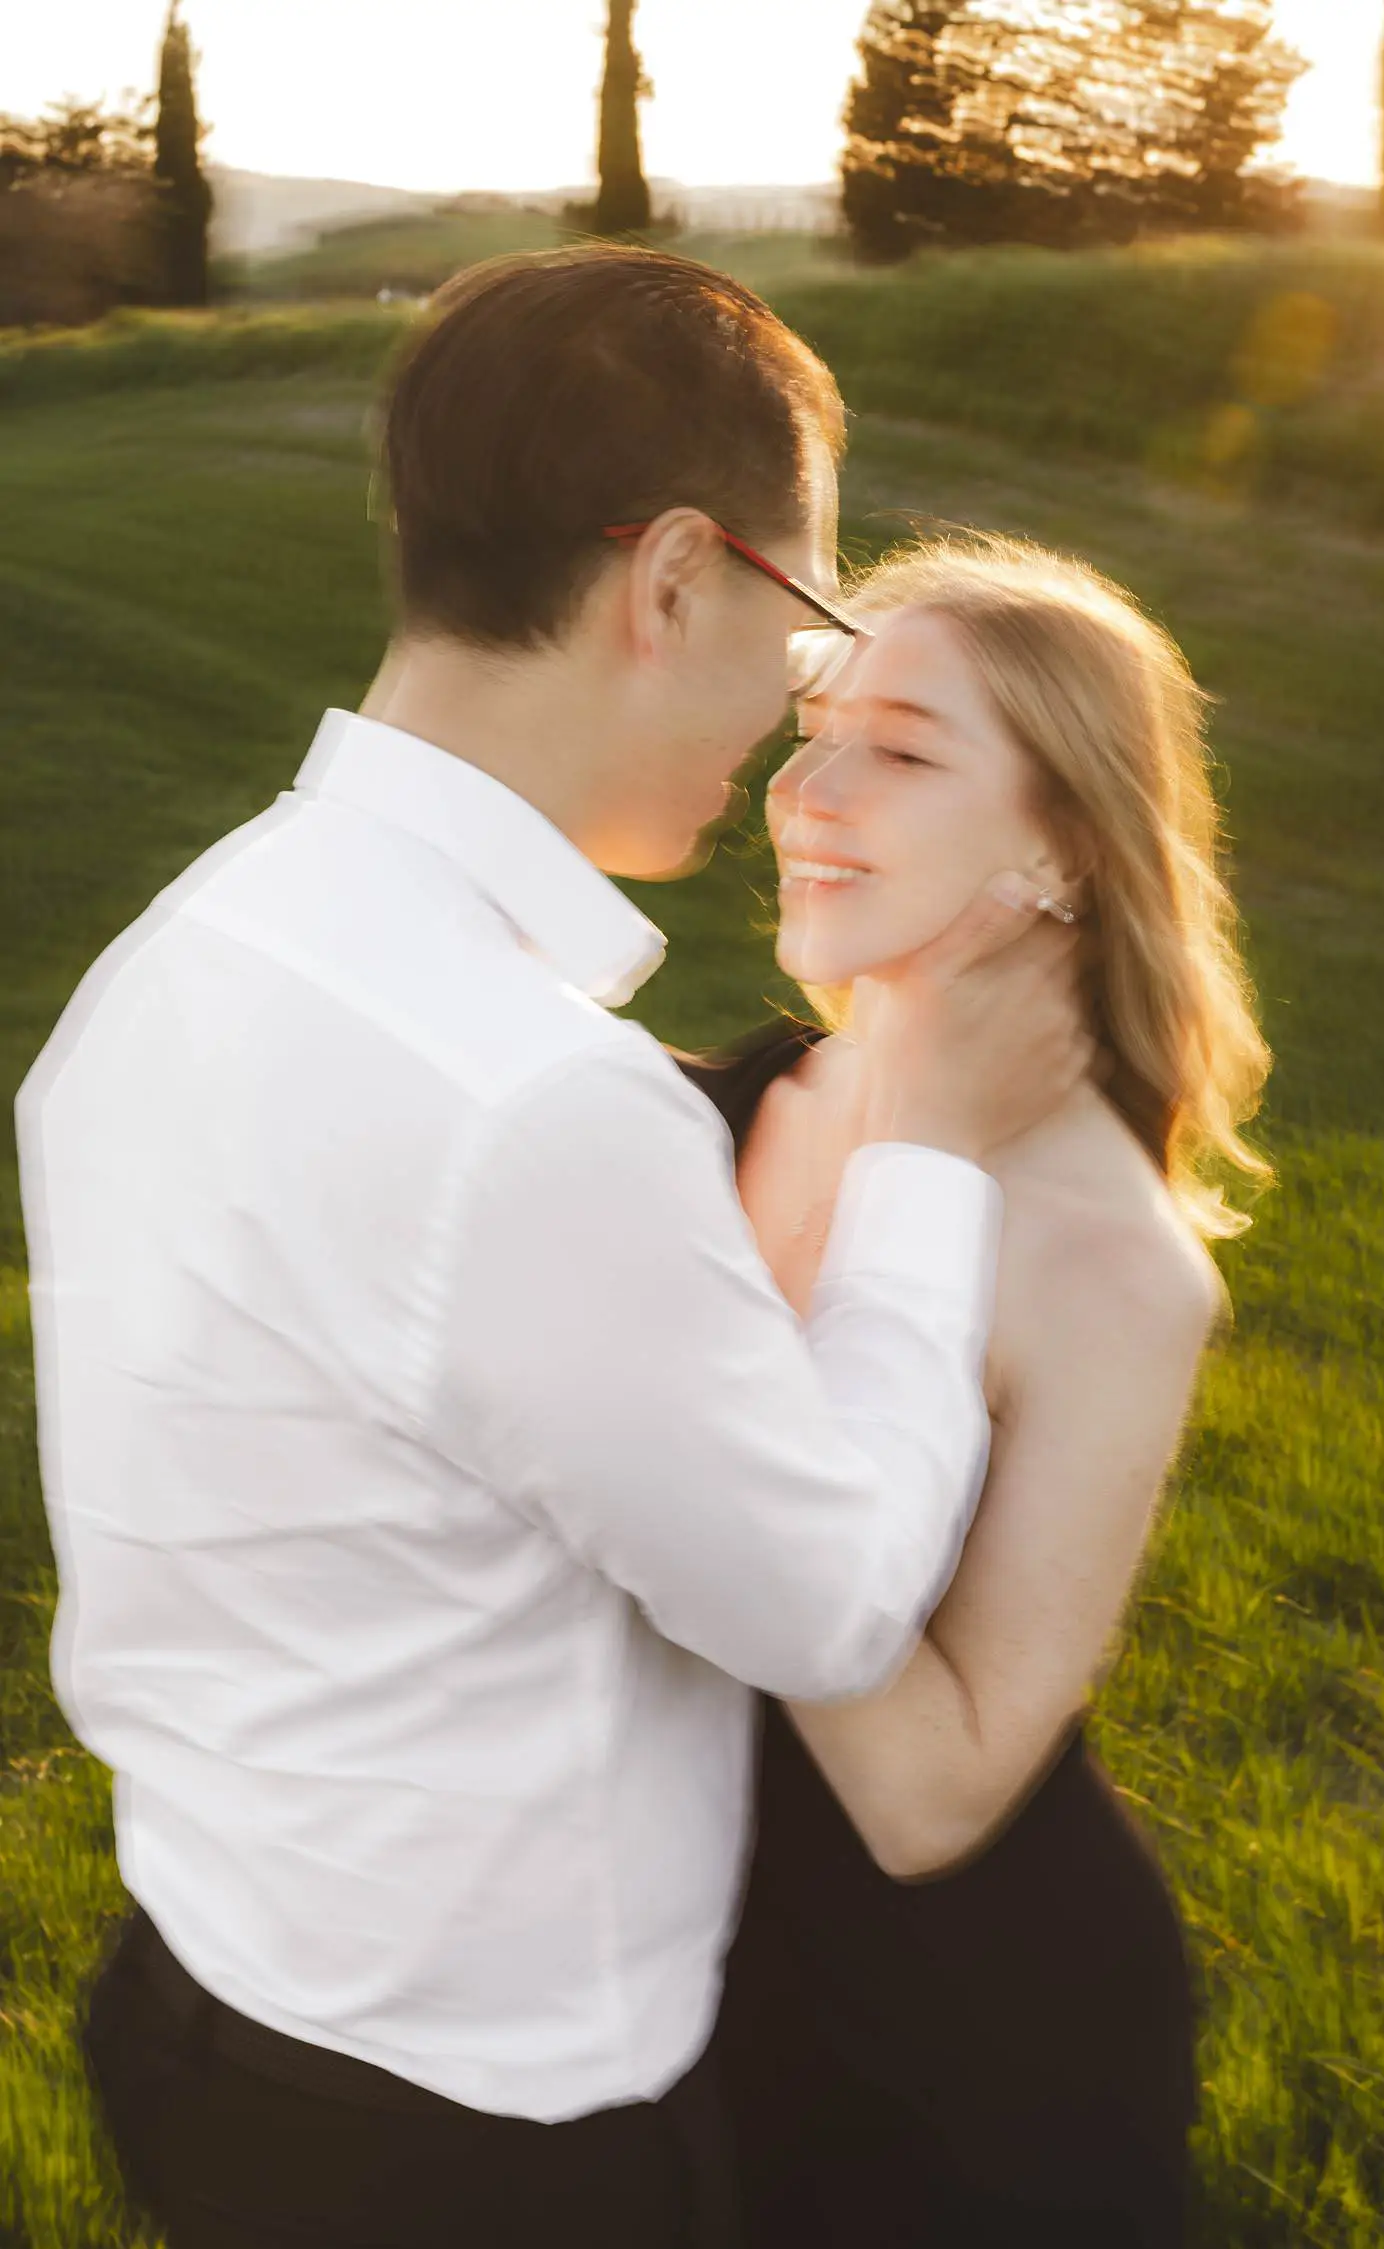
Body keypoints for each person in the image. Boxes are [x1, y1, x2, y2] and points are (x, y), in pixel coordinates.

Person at [15, 249, 1090, 2249]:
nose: (795, 723)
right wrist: (926, 1153)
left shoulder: (185, 943)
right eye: (802, 625)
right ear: (674, 576)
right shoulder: (537, 1104)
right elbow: (837, 1603)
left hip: (196, 2001)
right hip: (483, 2148)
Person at [683, 534, 1273, 2248]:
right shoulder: (717, 1106)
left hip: (944, 2065)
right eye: (821, 724)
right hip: (640, 1977)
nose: (810, 789)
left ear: (1064, 847)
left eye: (910, 748)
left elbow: (932, 1798)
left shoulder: (1111, 1264)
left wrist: (714, 1420)